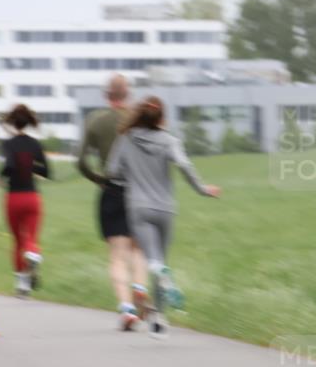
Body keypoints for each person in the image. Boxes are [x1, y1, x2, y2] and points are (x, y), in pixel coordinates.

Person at [107, 96, 221, 339]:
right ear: (161, 117)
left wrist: (131, 175)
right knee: (161, 259)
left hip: (139, 206)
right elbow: (184, 165)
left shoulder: (126, 139)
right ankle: (158, 320)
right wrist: (202, 189)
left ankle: (158, 284)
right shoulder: (169, 140)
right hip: (165, 208)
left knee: (153, 261)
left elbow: (112, 171)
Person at [77, 74, 149, 330]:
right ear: (127, 94)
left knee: (117, 256)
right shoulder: (141, 122)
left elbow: (81, 161)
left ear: (106, 95)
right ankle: (140, 287)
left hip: (112, 190)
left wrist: (98, 178)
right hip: (140, 192)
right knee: (138, 250)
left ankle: (127, 309)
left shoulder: (96, 121)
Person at [0, 104, 50, 298]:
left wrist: (0, 176)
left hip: (13, 198)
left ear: (12, 122)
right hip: (32, 198)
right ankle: (33, 255)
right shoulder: (36, 144)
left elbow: (9, 164)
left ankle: (22, 285)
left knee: (17, 241)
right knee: (31, 239)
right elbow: (46, 171)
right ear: (29, 122)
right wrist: (31, 168)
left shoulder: (8, 144)